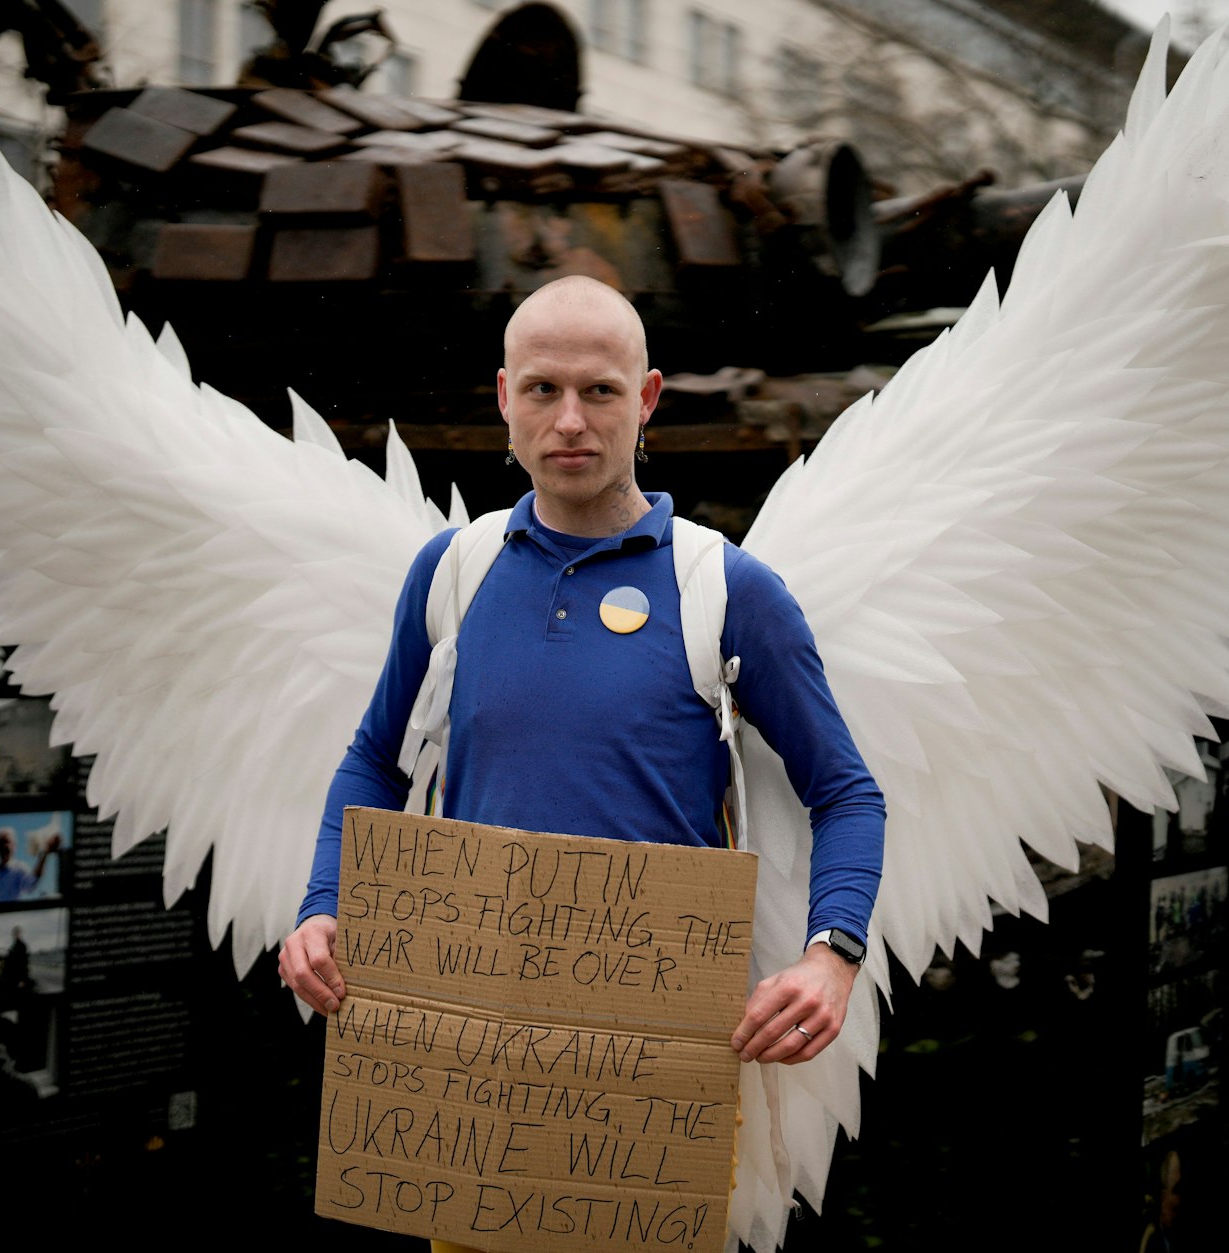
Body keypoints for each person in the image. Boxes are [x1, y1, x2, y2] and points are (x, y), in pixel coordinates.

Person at [279, 276, 884, 1073]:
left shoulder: (729, 589)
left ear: (647, 399)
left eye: (601, 390)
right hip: (464, 1034)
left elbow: (845, 792)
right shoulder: (453, 571)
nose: (570, 420)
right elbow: (373, 762)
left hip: (655, 1062)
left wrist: (832, 954)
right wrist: (323, 904)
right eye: (542, 389)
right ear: (504, 396)